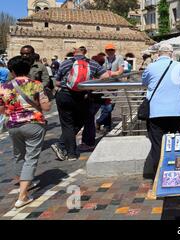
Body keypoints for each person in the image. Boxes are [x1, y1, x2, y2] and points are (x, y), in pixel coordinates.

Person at [0, 56, 51, 208]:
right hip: (34, 123)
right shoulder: (35, 85)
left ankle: (23, 180)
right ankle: (23, 196)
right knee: (31, 157)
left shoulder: (4, 87)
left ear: (12, 71)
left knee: (18, 155)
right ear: (28, 69)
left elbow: (2, 110)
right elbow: (47, 107)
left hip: (13, 125)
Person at [51, 48, 109, 161]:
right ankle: (62, 145)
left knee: (67, 123)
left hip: (65, 95)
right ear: (85, 53)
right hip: (82, 96)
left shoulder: (66, 62)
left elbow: (57, 82)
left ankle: (70, 153)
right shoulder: (92, 63)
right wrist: (91, 82)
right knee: (81, 121)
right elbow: (105, 76)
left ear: (74, 53)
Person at [142, 43, 180, 179]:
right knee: (177, 143)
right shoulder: (179, 66)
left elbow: (144, 82)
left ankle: (159, 177)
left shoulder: (150, 67)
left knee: (157, 146)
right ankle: (177, 174)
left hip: (156, 113)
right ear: (171, 53)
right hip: (176, 112)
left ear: (158, 53)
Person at [79, 55, 107, 152]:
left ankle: (88, 142)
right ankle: (87, 141)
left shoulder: (95, 74)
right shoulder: (101, 72)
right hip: (97, 99)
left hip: (93, 98)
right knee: (89, 120)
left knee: (89, 121)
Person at [96, 44, 124, 132]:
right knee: (105, 106)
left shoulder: (119, 58)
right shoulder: (103, 59)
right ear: (106, 51)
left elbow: (120, 71)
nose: (110, 51)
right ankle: (107, 126)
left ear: (114, 51)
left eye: (112, 50)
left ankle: (99, 121)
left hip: (114, 85)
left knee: (110, 106)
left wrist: (110, 73)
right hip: (104, 85)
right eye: (108, 50)